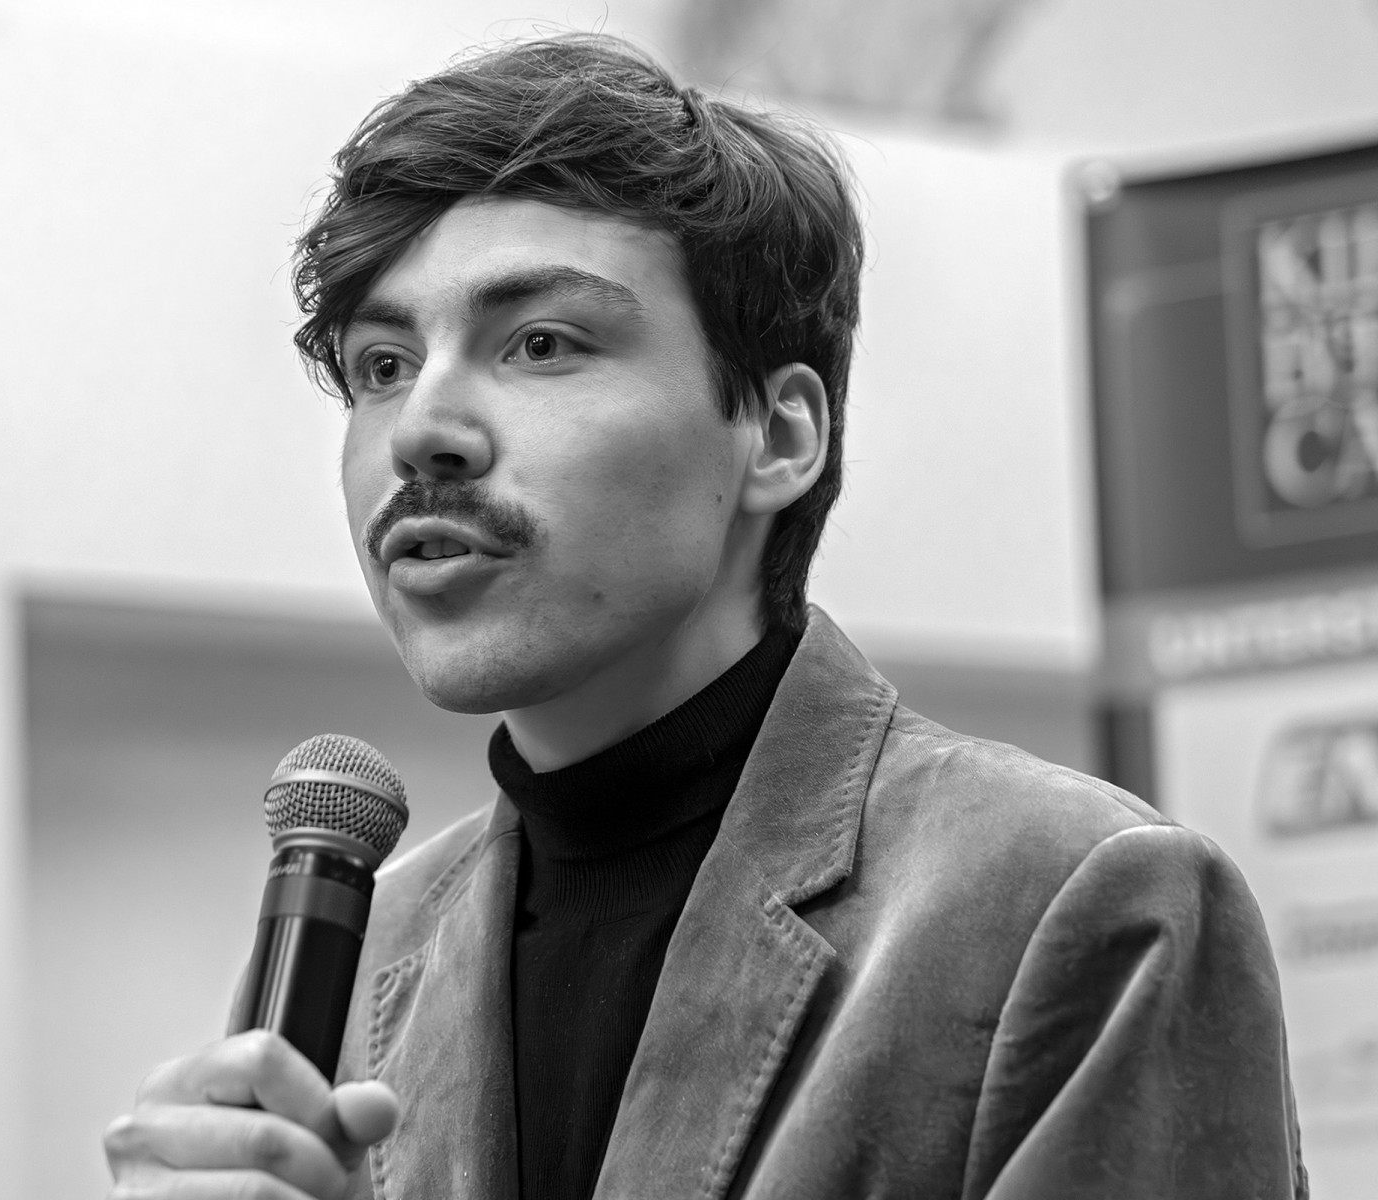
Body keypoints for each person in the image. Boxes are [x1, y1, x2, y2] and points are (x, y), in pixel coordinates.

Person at [104, 34, 1307, 1200]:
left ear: (778, 435)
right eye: (381, 365)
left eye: (540, 344)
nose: (422, 428)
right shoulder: (362, 958)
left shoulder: (1073, 899)